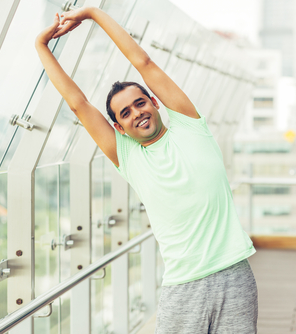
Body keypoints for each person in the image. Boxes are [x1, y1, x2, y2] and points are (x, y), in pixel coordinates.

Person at [36, 6, 258, 334]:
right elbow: (78, 104)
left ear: (154, 101)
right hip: (182, 288)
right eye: (125, 113)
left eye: (140, 103)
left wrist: (93, 14)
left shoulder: (190, 125)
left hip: (234, 276)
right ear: (120, 128)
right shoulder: (128, 156)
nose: (136, 113)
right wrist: (41, 46)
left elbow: (144, 63)